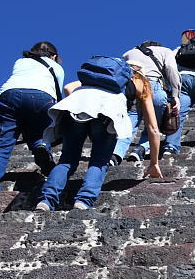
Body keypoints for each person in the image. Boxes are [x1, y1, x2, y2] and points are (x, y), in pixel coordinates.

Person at [36, 57, 161, 212]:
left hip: (74, 109)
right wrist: (154, 162)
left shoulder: (100, 75)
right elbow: (153, 129)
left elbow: (68, 87)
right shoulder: (141, 84)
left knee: (67, 159)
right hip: (106, 114)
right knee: (99, 161)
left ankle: (46, 201)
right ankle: (83, 201)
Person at [0, 41, 65, 191]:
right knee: (40, 130)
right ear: (54, 56)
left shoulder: (21, 61)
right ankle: (41, 145)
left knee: (1, 142)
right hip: (42, 98)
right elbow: (57, 94)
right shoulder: (58, 68)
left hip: (9, 95)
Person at [118, 41, 181, 161]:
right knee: (153, 125)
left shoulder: (129, 53)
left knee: (129, 126)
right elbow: (171, 69)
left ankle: (115, 155)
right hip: (153, 87)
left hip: (132, 89)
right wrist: (175, 95)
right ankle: (141, 149)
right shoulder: (165, 51)